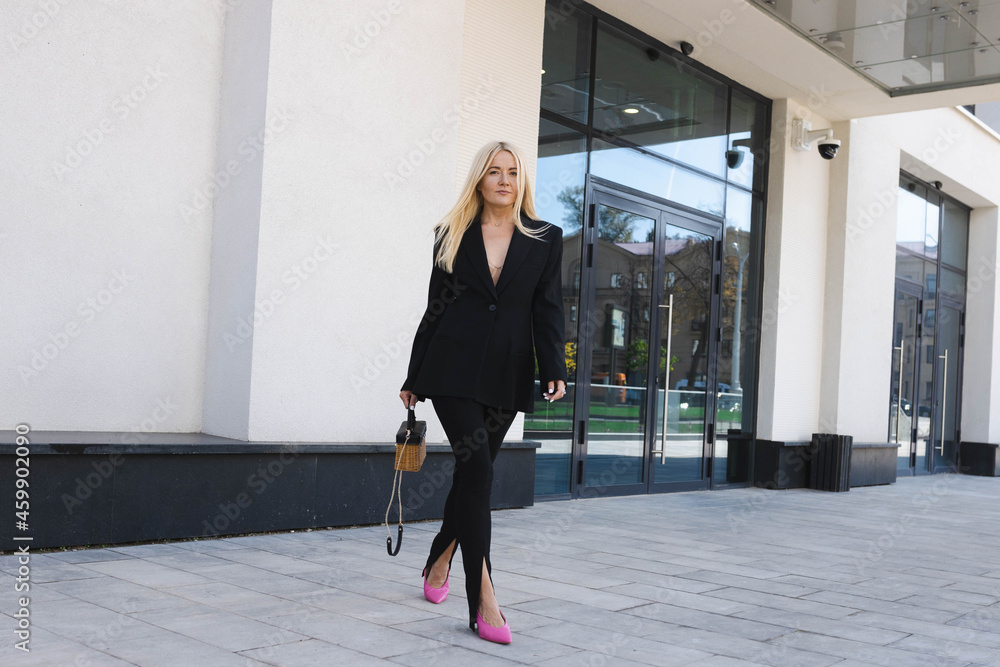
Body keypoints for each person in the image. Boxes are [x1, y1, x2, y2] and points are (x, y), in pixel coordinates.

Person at [398, 140, 567, 644]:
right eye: (494, 171)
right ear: (479, 179)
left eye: (512, 172)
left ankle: (440, 557)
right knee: (479, 469)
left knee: (476, 474)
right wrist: (413, 376)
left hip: (506, 373)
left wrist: (553, 364)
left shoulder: (544, 238)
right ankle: (483, 598)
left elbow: (548, 306)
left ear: (522, 181)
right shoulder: (450, 234)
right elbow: (434, 309)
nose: (503, 180)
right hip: (450, 368)